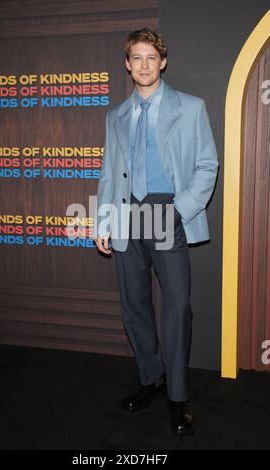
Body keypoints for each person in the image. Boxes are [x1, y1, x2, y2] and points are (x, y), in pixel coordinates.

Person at [94, 27, 218, 436]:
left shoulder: (191, 107)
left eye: (152, 57)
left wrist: (179, 211)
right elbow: (110, 174)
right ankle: (153, 378)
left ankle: (178, 397)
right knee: (134, 305)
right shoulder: (115, 117)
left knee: (177, 306)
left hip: (167, 211)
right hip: (128, 214)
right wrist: (104, 221)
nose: (144, 65)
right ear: (127, 65)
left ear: (162, 62)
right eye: (137, 58)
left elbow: (206, 166)